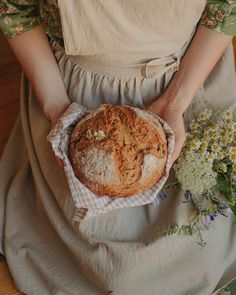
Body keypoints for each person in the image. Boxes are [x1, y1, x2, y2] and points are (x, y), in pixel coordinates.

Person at [0, 0, 236, 294]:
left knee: (202, 248)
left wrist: (177, 100)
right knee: (110, 268)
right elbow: (15, 10)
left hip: (188, 76)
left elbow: (226, 8)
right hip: (70, 88)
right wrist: (57, 107)